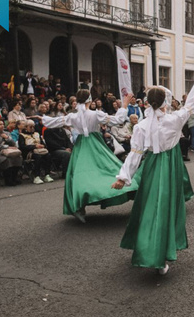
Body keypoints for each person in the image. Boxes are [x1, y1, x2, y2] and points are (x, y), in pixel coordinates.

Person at [111, 70, 194, 275]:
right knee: (165, 208)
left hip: (152, 166)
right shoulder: (173, 120)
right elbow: (190, 105)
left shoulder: (141, 126)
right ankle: (158, 253)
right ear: (166, 101)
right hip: (170, 165)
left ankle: (150, 248)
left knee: (150, 207)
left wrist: (123, 176)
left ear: (147, 103)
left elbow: (135, 154)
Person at [42, 90, 131, 222]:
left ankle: (79, 206)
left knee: (78, 173)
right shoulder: (96, 114)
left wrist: (43, 118)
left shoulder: (73, 116)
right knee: (107, 167)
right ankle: (123, 187)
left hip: (81, 145)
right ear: (90, 100)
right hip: (95, 144)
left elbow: (53, 122)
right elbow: (118, 120)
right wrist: (124, 105)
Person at [0, 119, 23, 186]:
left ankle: (14, 177)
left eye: (3, 124)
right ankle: (8, 179)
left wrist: (7, 138)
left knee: (18, 157)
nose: (2, 126)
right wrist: (6, 147)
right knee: (6, 159)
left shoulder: (6, 133)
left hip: (7, 152)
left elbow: (13, 143)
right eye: (0, 124)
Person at [18, 120, 54, 184]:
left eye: (33, 127)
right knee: (38, 157)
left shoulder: (37, 134)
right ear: (26, 127)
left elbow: (43, 144)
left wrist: (42, 145)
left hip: (40, 150)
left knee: (48, 155)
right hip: (29, 152)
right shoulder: (22, 135)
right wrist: (34, 146)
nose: (32, 128)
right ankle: (36, 176)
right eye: (30, 127)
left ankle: (47, 174)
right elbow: (22, 146)